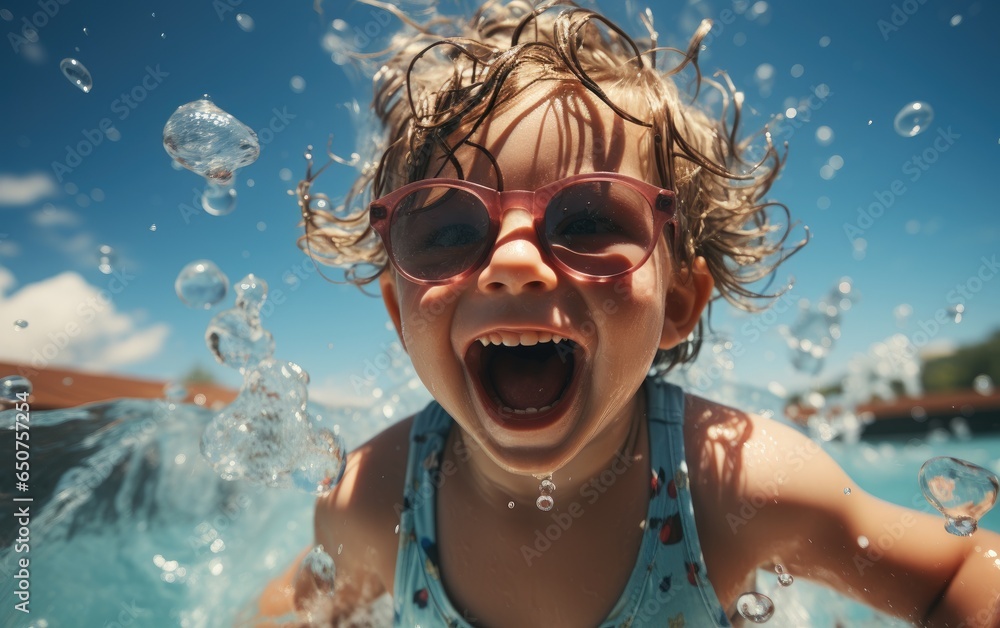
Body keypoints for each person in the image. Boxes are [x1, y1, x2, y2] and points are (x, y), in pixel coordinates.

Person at [256, 1, 1000, 625]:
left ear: (677, 304)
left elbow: (957, 573)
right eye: (446, 231)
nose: (514, 263)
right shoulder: (375, 497)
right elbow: (296, 603)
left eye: (584, 220)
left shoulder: (735, 486)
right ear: (398, 311)